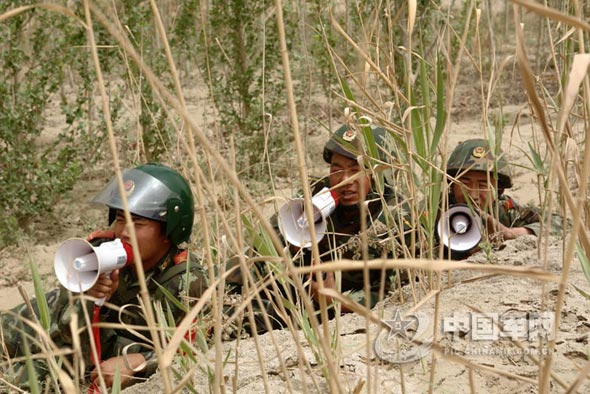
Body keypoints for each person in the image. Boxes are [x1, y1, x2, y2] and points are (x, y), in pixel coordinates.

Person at [0, 163, 208, 391]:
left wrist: (140, 363)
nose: (124, 232)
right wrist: (87, 297)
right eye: (120, 219)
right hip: (49, 330)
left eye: (138, 224)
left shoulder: (185, 281)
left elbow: (195, 345)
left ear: (169, 232)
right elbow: (63, 332)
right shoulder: (99, 251)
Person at [228, 124, 412, 327]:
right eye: (337, 169)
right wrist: (294, 245)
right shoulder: (316, 194)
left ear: (379, 174)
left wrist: (338, 301)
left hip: (340, 314)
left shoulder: (398, 218)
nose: (344, 180)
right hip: (298, 290)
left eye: (355, 170)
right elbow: (265, 244)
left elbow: (397, 292)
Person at [442, 138, 561, 259]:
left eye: (483, 185)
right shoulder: (433, 210)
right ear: (452, 184)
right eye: (464, 184)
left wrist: (511, 233)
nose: (473, 195)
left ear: (498, 190)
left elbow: (561, 223)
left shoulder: (503, 209)